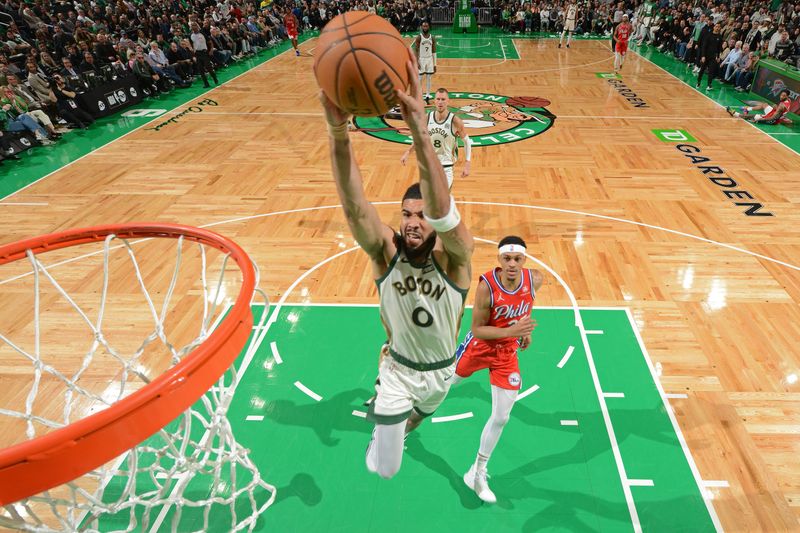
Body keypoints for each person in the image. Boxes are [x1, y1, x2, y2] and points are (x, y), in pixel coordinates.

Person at [320, 56, 474, 480]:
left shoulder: (456, 258)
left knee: (417, 420)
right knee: (385, 469)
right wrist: (337, 132)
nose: (411, 221)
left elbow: (444, 212)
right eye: (406, 213)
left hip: (441, 372)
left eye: (420, 216)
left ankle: (402, 427)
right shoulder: (386, 252)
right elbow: (354, 205)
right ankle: (384, 430)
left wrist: (421, 130)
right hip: (399, 370)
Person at [453, 236, 543, 503]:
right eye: (507, 259)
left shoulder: (535, 279)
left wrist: (523, 331)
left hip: (506, 355)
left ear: (524, 259)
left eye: (517, 259)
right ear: (499, 259)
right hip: (478, 349)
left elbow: (525, 306)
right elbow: (477, 329)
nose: (512, 264)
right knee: (438, 387)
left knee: (501, 417)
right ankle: (399, 415)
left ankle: (477, 472)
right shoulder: (486, 286)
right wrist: (512, 330)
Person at [400, 88, 472, 189]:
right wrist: (408, 152)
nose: (440, 102)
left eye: (443, 99)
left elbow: (467, 142)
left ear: (448, 101)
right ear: (434, 100)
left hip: (446, 167)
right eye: (438, 99)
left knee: (442, 200)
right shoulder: (427, 118)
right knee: (428, 201)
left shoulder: (455, 121)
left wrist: (467, 163)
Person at [727, 90, 794, 124]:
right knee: (764, 104)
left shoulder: (781, 106)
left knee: (752, 116)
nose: (781, 96)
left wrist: (760, 120)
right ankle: (747, 109)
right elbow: (783, 111)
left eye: (784, 96)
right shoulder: (788, 100)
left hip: (772, 119)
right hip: (774, 113)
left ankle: (735, 114)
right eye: (781, 95)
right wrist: (776, 108)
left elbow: (772, 118)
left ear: (787, 96)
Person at [412, 21, 436, 101]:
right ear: (421, 27)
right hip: (421, 59)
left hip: (429, 59)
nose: (425, 27)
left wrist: (435, 64)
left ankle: (428, 95)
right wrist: (416, 61)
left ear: (429, 27)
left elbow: (434, 51)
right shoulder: (419, 37)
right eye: (424, 26)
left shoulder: (432, 37)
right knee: (420, 78)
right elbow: (415, 50)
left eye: (426, 26)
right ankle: (419, 94)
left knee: (429, 78)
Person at [696, 22, 722, 91]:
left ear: (720, 28)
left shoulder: (719, 37)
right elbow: (704, 46)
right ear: (714, 27)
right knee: (702, 70)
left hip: (713, 57)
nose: (717, 28)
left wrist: (718, 56)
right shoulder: (708, 35)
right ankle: (698, 82)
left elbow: (719, 48)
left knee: (711, 71)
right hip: (706, 56)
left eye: (719, 27)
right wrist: (703, 56)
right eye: (716, 26)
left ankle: (709, 85)